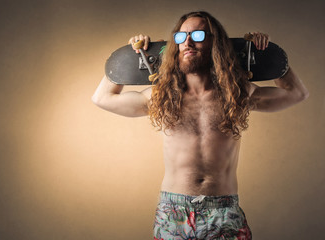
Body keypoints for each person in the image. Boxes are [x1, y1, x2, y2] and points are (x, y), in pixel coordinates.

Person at [92, 11, 309, 240]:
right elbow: (102, 98)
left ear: (215, 43)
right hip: (173, 212)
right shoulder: (161, 96)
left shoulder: (237, 94)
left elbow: (296, 94)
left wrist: (267, 55)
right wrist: (126, 55)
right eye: (181, 36)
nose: (187, 42)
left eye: (197, 34)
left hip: (224, 212)